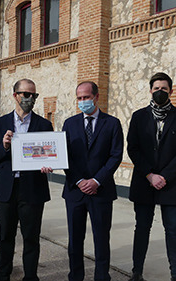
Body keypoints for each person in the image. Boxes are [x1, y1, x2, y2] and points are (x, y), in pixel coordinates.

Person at [0, 78, 53, 281]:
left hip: (32, 189)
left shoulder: (44, 124)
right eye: (26, 94)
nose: (30, 98)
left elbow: (49, 154)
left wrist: (48, 164)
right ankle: (3, 274)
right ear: (15, 95)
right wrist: (4, 146)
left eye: (34, 95)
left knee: (31, 238)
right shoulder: (0, 123)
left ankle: (30, 277)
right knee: (5, 237)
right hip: (7, 189)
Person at [127, 72, 176, 281]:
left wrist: (164, 176)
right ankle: (137, 272)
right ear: (150, 90)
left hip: (170, 184)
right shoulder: (139, 116)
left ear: (171, 91)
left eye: (164, 89)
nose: (160, 92)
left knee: (173, 230)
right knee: (142, 228)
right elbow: (133, 148)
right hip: (144, 182)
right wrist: (149, 174)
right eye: (156, 89)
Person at [62, 81, 124, 281]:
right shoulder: (70, 124)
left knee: (101, 239)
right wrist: (79, 180)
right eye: (79, 98)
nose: (83, 101)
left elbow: (115, 156)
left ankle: (102, 277)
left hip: (101, 191)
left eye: (86, 97)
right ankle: (75, 276)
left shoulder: (112, 123)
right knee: (75, 240)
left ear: (96, 97)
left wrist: (97, 180)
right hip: (75, 191)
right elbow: (66, 156)